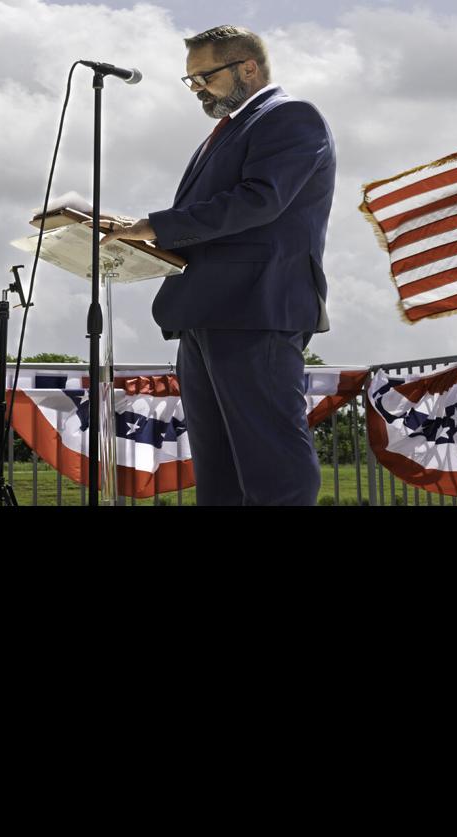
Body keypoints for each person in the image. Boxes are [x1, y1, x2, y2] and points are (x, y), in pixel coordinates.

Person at [102, 25, 334, 505]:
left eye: (204, 76)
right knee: (219, 468)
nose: (197, 89)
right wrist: (138, 241)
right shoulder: (227, 131)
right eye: (190, 80)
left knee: (273, 461)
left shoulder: (290, 117)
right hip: (207, 312)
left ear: (247, 67)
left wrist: (154, 227)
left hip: (256, 309)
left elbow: (258, 201)